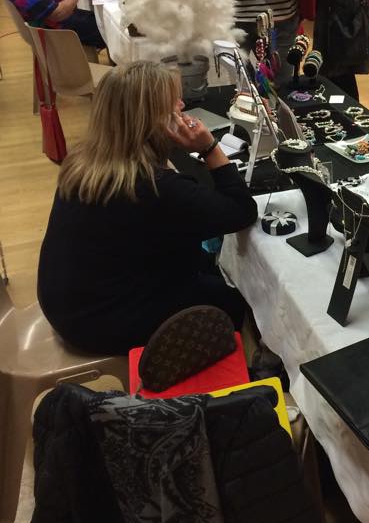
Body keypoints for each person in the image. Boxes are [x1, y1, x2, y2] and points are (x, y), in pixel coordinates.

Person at [37, 61, 258, 354]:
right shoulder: (153, 187)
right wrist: (209, 148)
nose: (182, 105)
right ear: (152, 119)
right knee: (233, 300)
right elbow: (241, 211)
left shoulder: (84, 161)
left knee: (208, 266)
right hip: (100, 322)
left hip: (69, 305)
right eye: (174, 102)